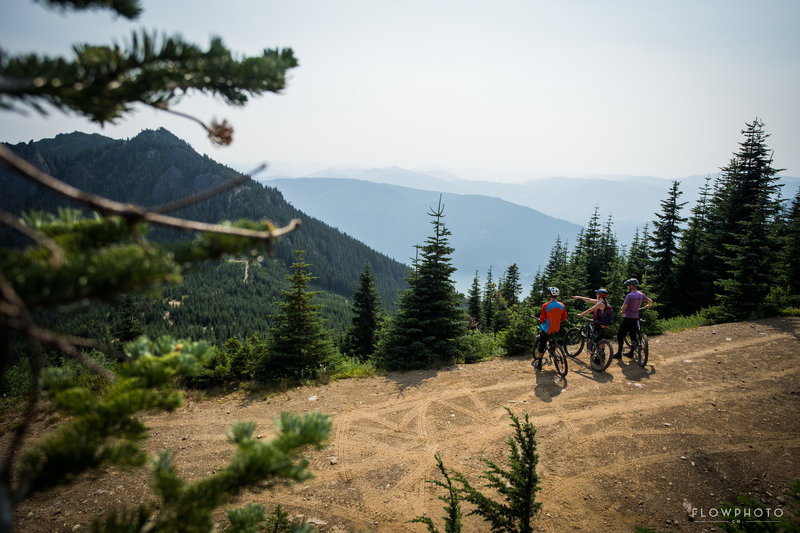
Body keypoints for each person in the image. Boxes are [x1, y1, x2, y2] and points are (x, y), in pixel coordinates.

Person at [614, 278, 652, 358]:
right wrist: (648, 306)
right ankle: (631, 352)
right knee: (632, 335)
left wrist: (622, 311)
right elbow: (650, 301)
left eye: (628, 285)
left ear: (632, 286)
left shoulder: (630, 295)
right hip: (635, 318)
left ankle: (619, 353)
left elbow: (624, 307)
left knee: (620, 335)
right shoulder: (640, 294)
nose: (627, 286)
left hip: (628, 318)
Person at [534, 287, 568, 370]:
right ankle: (553, 350)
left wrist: (544, 321)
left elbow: (542, 318)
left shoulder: (545, 305)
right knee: (552, 339)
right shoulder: (562, 305)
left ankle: (539, 364)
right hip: (556, 327)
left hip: (547, 329)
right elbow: (564, 318)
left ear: (550, 295)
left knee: (542, 345)